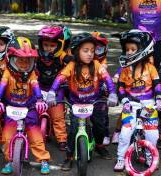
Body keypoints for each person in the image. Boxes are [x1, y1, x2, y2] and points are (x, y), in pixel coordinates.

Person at [46, 32, 118, 170]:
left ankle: (99, 146)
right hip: (76, 103)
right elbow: (60, 77)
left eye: (92, 50)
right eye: (85, 51)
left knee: (100, 126)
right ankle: (69, 157)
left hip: (94, 102)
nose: (90, 54)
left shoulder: (97, 64)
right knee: (73, 131)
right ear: (76, 51)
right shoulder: (72, 66)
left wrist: (113, 94)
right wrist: (51, 92)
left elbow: (107, 79)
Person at [0, 37, 50, 175]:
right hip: (12, 108)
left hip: (29, 108)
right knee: (7, 137)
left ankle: (43, 160)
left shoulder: (31, 75)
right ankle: (9, 160)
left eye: (27, 61)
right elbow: (2, 85)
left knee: (35, 134)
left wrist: (40, 100)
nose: (24, 64)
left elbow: (36, 87)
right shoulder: (7, 72)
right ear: (11, 59)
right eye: (20, 60)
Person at [114, 29, 161, 172]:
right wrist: (124, 102)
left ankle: (150, 156)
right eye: (127, 49)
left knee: (152, 135)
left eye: (132, 49)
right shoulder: (125, 70)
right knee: (125, 133)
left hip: (149, 104)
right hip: (131, 104)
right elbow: (121, 87)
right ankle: (121, 158)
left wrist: (159, 99)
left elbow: (157, 85)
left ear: (143, 49)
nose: (129, 52)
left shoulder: (151, 68)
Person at [36, 25, 73, 151]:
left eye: (52, 46)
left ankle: (62, 139)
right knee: (34, 112)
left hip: (57, 89)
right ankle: (32, 136)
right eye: (46, 45)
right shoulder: (37, 55)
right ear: (41, 45)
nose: (49, 48)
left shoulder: (62, 56)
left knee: (57, 116)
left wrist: (75, 61)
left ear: (59, 46)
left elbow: (72, 61)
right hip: (40, 87)